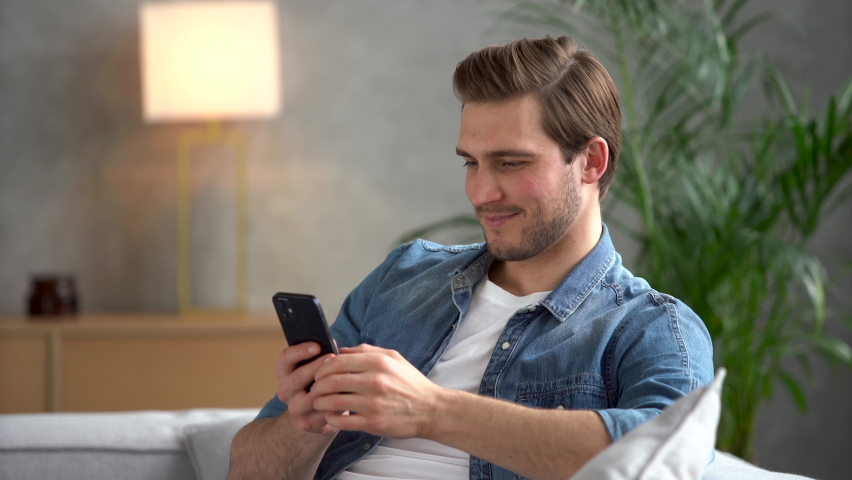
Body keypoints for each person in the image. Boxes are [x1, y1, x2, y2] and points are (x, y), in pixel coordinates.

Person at [229, 35, 714, 480]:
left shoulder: (650, 328)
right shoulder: (403, 276)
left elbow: (665, 457)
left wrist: (431, 411)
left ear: (591, 161)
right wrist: (309, 422)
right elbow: (245, 471)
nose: (481, 193)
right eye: (471, 162)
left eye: (511, 163)